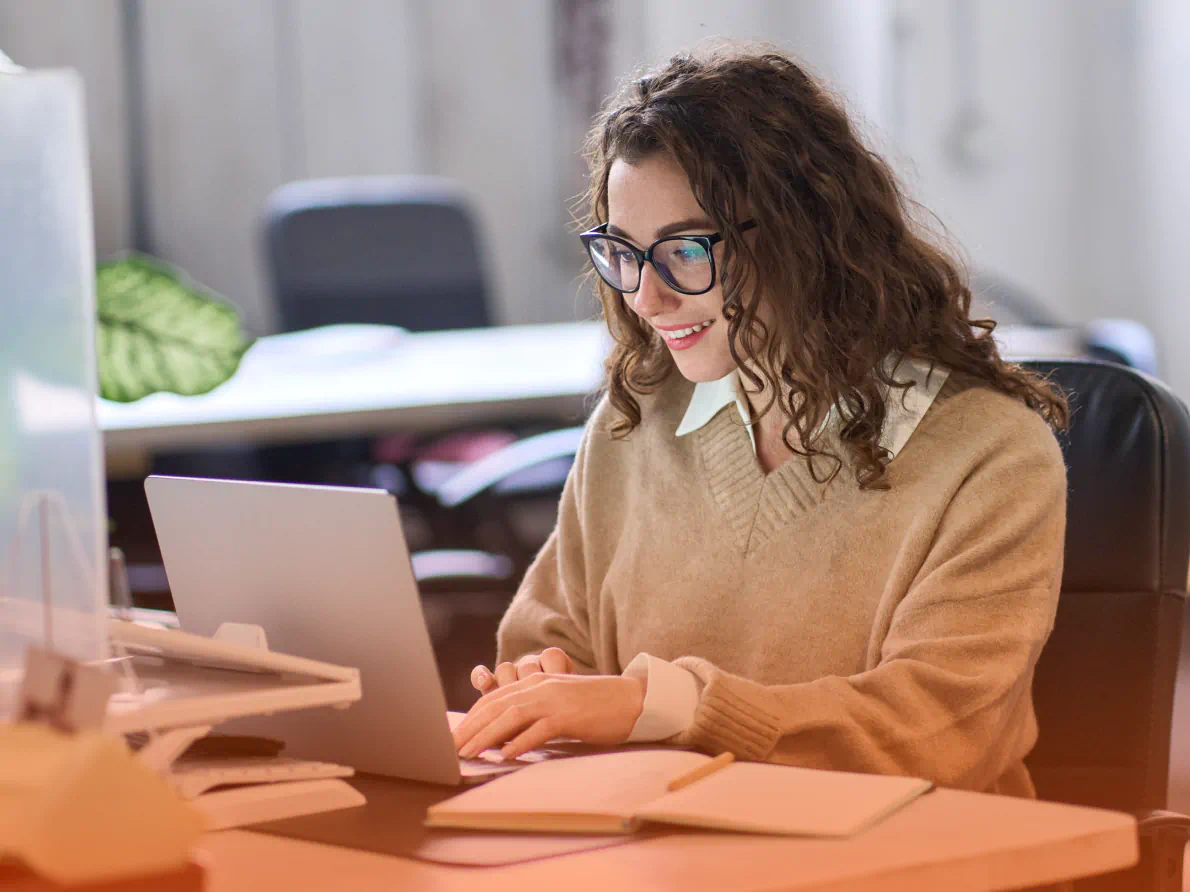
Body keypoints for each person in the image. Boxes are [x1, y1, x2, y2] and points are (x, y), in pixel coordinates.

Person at [452, 43, 1069, 796]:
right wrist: (546, 685)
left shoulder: (990, 455)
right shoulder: (634, 425)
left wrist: (660, 706)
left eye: (683, 250)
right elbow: (550, 640)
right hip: (662, 852)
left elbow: (938, 731)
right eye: (623, 252)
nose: (646, 299)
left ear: (803, 234)